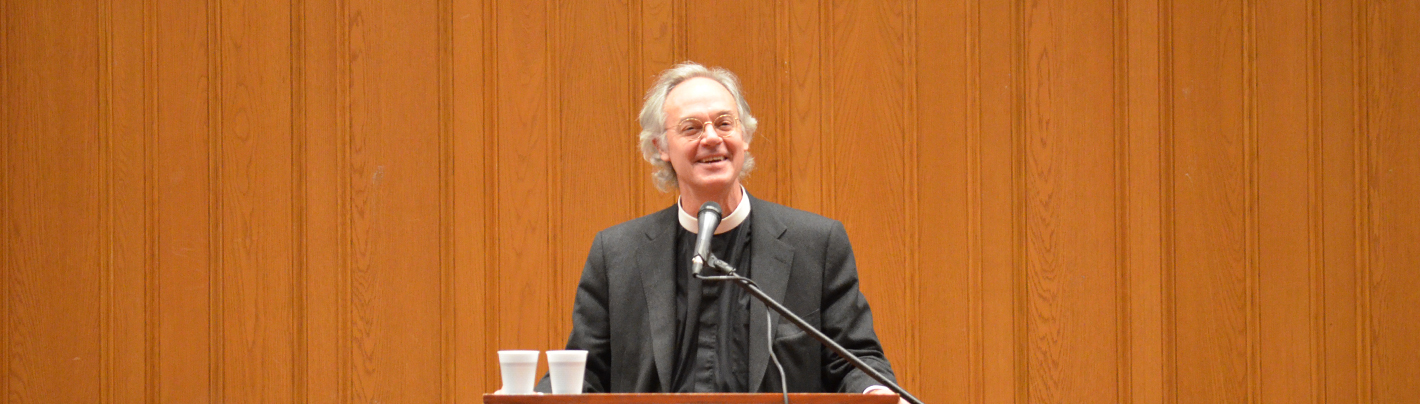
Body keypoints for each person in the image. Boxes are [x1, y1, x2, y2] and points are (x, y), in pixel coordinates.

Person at [533, 62, 902, 398]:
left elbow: (855, 360)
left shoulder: (815, 244)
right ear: (661, 146)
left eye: (725, 124)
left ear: (745, 136)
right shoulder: (617, 253)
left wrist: (875, 391)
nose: (711, 138)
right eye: (691, 128)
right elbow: (584, 371)